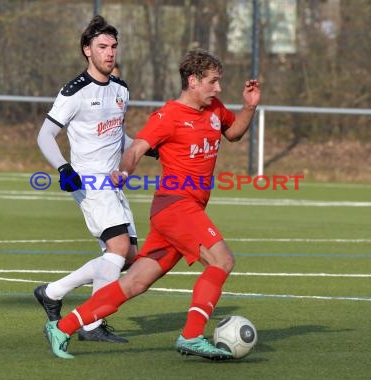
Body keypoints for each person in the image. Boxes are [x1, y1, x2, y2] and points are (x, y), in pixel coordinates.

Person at [41, 48, 261, 360]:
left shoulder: (215, 109)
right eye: (213, 82)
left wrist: (249, 108)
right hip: (175, 206)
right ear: (193, 81)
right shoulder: (167, 116)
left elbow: (234, 133)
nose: (218, 88)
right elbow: (136, 149)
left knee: (134, 283)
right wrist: (123, 172)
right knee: (222, 261)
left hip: (185, 212)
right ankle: (192, 336)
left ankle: (62, 327)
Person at [34, 15, 137, 343]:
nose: (110, 53)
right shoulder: (74, 91)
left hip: (114, 185)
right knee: (119, 248)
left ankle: (58, 297)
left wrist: (151, 150)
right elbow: (45, 135)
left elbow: (119, 138)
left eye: (113, 47)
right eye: (102, 47)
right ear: (87, 51)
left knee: (128, 257)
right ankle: (82, 316)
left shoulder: (121, 90)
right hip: (89, 183)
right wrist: (64, 169)